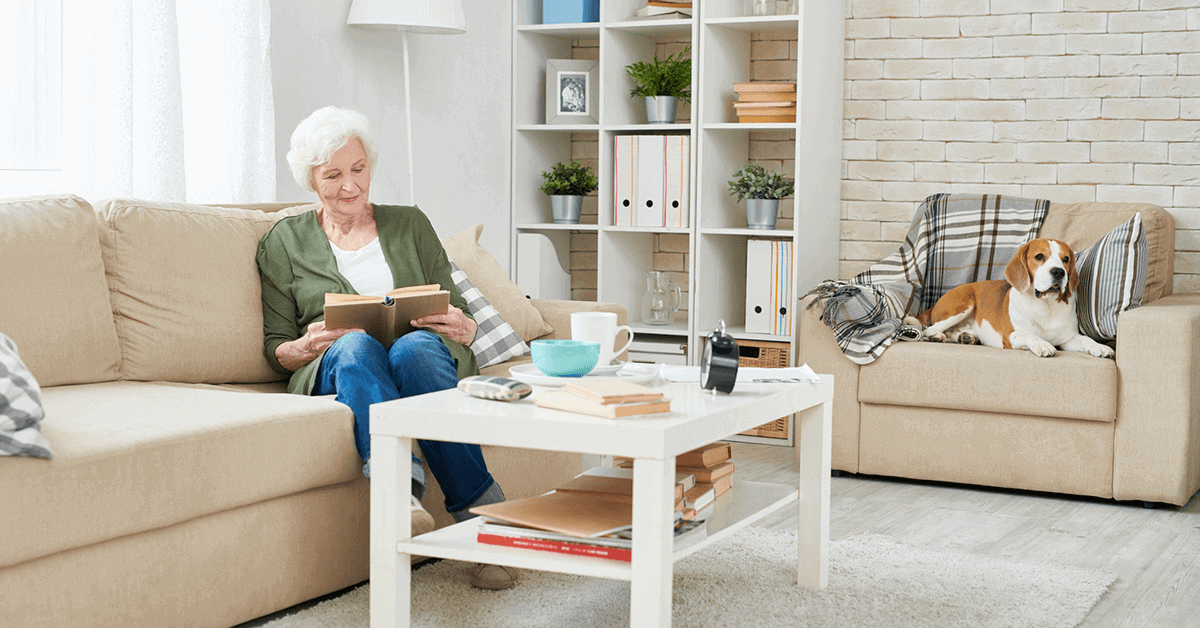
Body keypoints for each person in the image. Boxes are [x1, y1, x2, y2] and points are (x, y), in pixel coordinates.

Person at [256, 106, 517, 590]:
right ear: (311, 179)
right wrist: (302, 346)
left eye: (358, 170)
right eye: (333, 175)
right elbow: (276, 346)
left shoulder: (410, 223)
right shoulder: (283, 242)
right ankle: (403, 496)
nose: (349, 185)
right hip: (339, 361)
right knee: (356, 344)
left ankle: (486, 525)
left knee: (415, 351)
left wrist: (461, 324)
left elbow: (459, 311)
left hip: (419, 351)